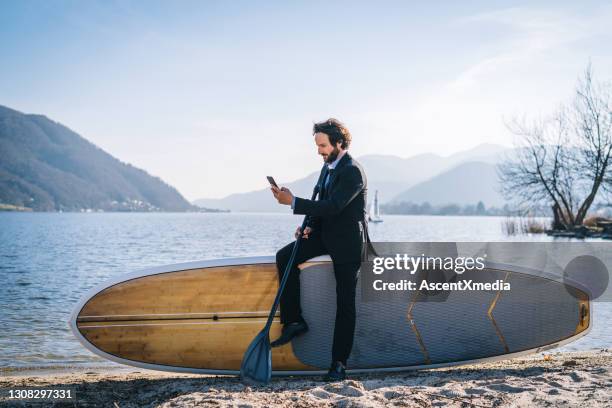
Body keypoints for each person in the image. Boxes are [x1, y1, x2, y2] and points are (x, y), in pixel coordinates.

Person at [270, 118, 368, 381]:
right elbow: (321, 205)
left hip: (347, 242)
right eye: (317, 146)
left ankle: (339, 364)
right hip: (325, 235)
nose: (319, 151)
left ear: (338, 142)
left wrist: (293, 203)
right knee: (285, 256)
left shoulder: (353, 171)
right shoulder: (328, 168)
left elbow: (334, 206)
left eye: (323, 145)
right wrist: (309, 226)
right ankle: (294, 321)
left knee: (344, 302)